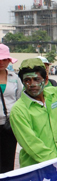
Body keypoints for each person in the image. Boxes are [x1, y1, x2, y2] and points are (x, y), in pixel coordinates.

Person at [0, 44, 22, 173]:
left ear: (9, 60)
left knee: (8, 161)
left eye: (4, 59)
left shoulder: (14, 78)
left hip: (10, 125)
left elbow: (19, 100)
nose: (1, 63)